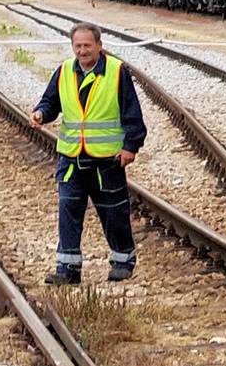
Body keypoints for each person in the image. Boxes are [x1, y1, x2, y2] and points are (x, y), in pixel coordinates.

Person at [30, 22, 147, 285]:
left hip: (106, 160)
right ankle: (67, 270)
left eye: (87, 46)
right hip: (71, 158)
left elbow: (132, 112)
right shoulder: (63, 72)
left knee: (113, 213)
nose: (82, 51)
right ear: (72, 46)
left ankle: (123, 261)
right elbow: (51, 102)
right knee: (68, 211)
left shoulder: (117, 72)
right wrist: (41, 114)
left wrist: (131, 146)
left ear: (99, 46)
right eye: (78, 46)